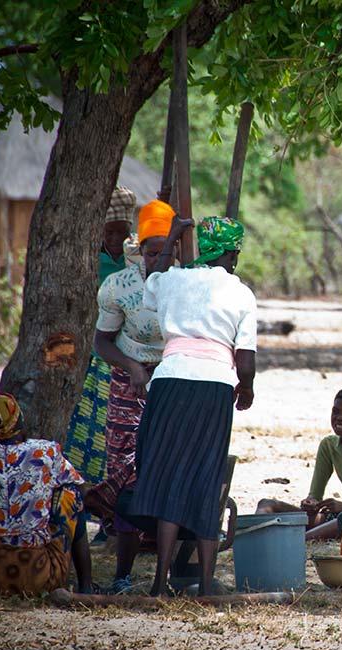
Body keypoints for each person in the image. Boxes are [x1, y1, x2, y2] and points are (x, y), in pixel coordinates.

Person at [123, 215, 257, 597]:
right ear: (232, 253)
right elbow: (244, 359)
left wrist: (173, 238)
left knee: (167, 476)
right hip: (212, 388)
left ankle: (159, 582)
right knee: (204, 477)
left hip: (168, 382)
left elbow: (153, 278)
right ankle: (204, 588)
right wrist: (245, 389)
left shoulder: (173, 279)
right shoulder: (240, 293)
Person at [79, 199, 174, 594]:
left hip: (171, 385)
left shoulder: (185, 281)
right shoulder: (120, 285)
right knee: (126, 472)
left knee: (167, 472)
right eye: (150, 251)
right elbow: (102, 341)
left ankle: (166, 573)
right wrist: (134, 368)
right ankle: (122, 573)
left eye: (163, 251)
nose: (156, 258)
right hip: (129, 382)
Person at [0, 394, 94, 596]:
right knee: (71, 495)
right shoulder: (45, 452)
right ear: (18, 419)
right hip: (37, 574)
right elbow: (80, 486)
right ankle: (86, 585)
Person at [65, 186, 137, 486]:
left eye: (122, 233)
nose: (116, 241)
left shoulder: (134, 258)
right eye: (109, 233)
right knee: (90, 429)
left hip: (127, 355)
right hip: (96, 355)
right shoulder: (88, 260)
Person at [257, 386, 342, 525]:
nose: (339, 418)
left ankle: (298, 540)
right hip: (338, 517)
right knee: (267, 504)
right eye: (335, 412)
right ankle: (256, 533)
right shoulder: (329, 445)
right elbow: (315, 494)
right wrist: (311, 503)